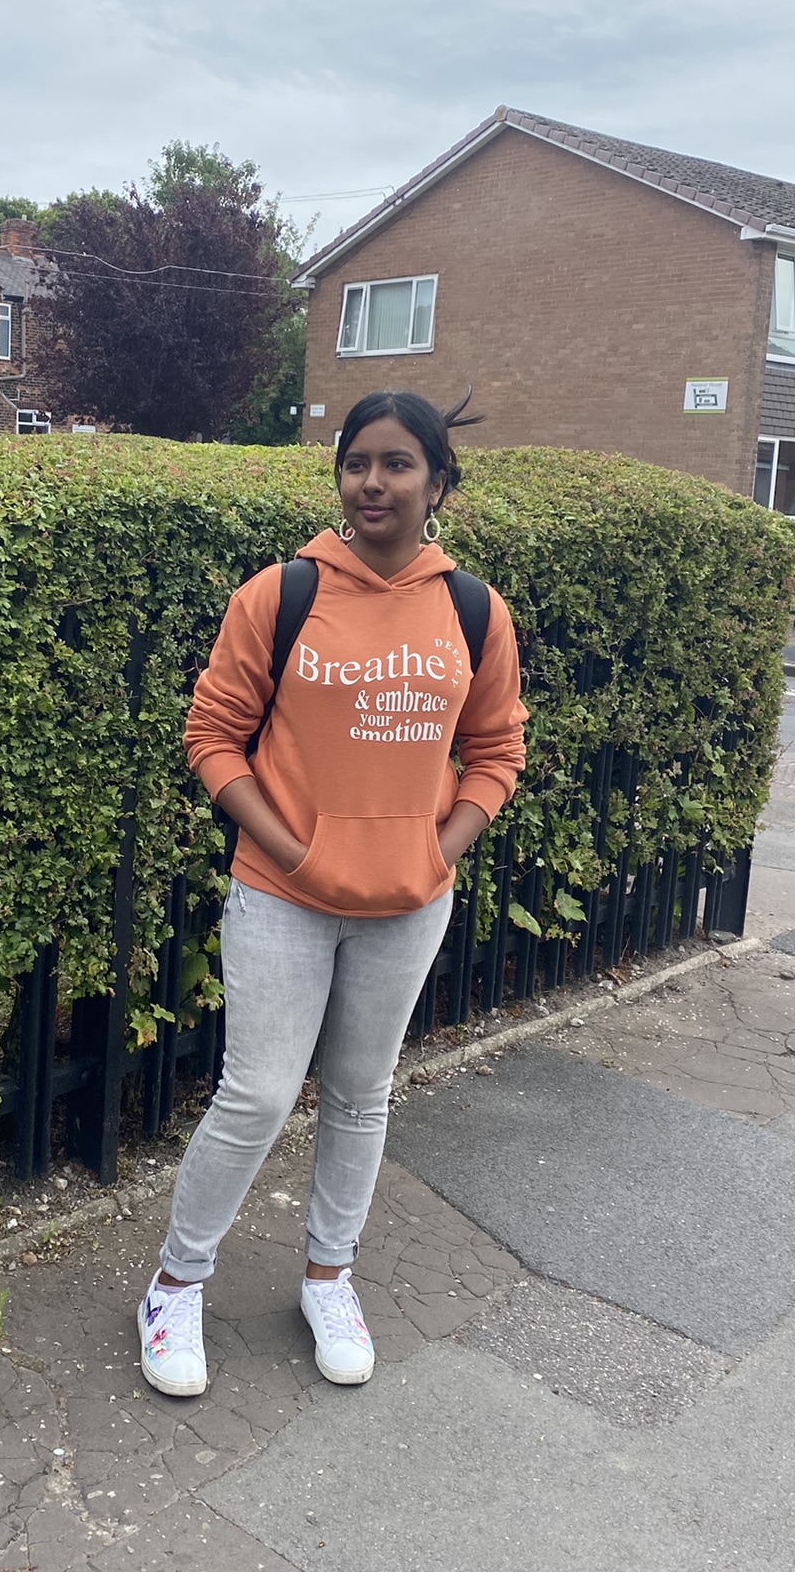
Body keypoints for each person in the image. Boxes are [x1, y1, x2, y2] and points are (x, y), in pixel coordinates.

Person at [137, 389, 528, 1396]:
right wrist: (294, 851)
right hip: (283, 895)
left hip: (408, 903)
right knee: (258, 1093)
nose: (373, 483)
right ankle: (176, 1284)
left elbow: (496, 751)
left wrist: (438, 850)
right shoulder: (281, 594)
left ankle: (329, 1276)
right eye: (357, 463)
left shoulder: (472, 609)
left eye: (397, 464)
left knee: (361, 1094)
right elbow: (211, 737)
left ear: (437, 482)